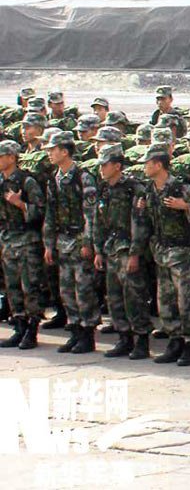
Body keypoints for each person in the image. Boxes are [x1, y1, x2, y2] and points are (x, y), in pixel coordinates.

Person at [133, 143, 190, 366]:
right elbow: (145, 223)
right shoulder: (149, 190)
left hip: (182, 252)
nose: (144, 167)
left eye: (147, 163)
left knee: (186, 301)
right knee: (165, 301)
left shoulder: (180, 187)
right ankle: (175, 341)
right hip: (161, 252)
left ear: (158, 165)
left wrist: (185, 206)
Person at [42, 131, 101, 354]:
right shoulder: (55, 178)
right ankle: (75, 330)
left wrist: (88, 242)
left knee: (84, 289)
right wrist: (48, 244)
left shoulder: (82, 177)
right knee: (66, 289)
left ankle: (88, 333)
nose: (49, 153)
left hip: (79, 239)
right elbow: (50, 214)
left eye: (53, 149)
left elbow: (91, 213)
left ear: (65, 151)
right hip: (63, 240)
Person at [93, 143, 153, 359]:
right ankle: (124, 337)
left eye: (106, 165)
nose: (102, 169)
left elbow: (140, 222)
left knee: (134, 297)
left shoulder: (133, 188)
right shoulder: (104, 188)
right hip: (111, 248)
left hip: (128, 248)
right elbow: (98, 221)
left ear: (117, 166)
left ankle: (141, 340)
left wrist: (135, 252)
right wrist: (98, 250)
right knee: (114, 297)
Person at [0, 139, 46, 349]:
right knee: (13, 287)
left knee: (30, 287)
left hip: (27, 241)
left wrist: (20, 204)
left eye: (2, 156)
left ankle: (32, 330)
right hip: (8, 240)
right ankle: (19, 326)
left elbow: (40, 211)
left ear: (12, 158)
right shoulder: (1, 181)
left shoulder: (27, 182)